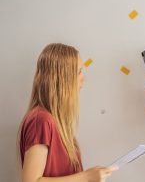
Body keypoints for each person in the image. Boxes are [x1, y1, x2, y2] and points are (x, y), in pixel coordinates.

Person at [18, 43, 117, 182]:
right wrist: (87, 177)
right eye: (79, 72)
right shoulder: (40, 120)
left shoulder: (56, 121)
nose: (84, 78)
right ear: (61, 78)